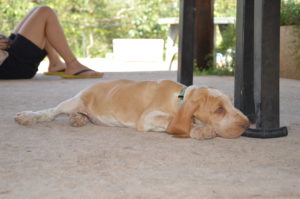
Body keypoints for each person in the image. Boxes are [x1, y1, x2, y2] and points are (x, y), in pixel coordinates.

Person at [0, 6, 103, 79]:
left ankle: (55, 63)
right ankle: (73, 65)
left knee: (36, 10)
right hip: (12, 67)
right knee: (44, 11)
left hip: (6, 57)